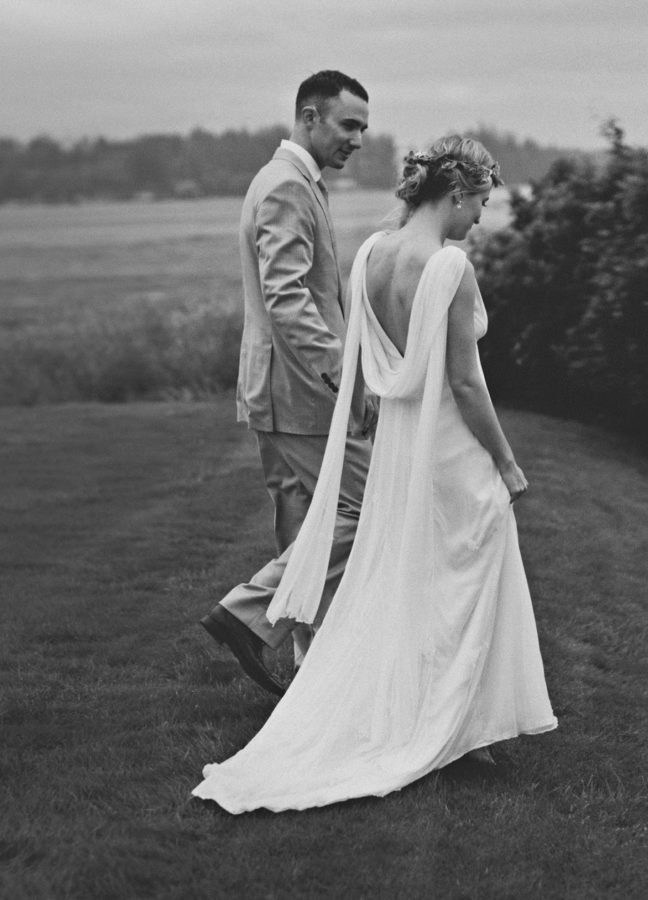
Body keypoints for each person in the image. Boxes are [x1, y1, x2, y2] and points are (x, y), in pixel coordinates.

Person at [192, 136, 557, 813]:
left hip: (397, 446)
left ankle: (448, 722)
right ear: (454, 194)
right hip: (448, 449)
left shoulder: (369, 257)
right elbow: (465, 384)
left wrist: (365, 413)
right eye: (478, 202)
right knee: (462, 585)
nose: (478, 217)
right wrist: (505, 462)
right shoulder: (448, 265)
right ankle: (457, 730)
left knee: (415, 578)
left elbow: (361, 363)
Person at [199, 70, 375, 695]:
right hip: (299, 391)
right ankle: (247, 612)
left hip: (277, 388)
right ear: (309, 116)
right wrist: (346, 373)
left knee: (300, 519)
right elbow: (287, 297)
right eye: (348, 124)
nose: (358, 139)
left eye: (362, 127)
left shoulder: (293, 182)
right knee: (367, 506)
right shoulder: (286, 186)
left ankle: (310, 663)